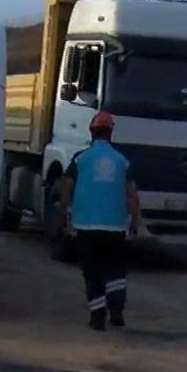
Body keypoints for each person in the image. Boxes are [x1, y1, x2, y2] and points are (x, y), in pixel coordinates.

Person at [61, 111, 142, 330]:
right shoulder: (122, 161)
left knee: (92, 271)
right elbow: (132, 195)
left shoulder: (80, 159)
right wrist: (134, 221)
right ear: (110, 133)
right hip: (115, 226)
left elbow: (66, 189)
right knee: (115, 271)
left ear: (91, 131)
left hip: (86, 225)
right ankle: (116, 313)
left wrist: (65, 217)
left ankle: (97, 317)